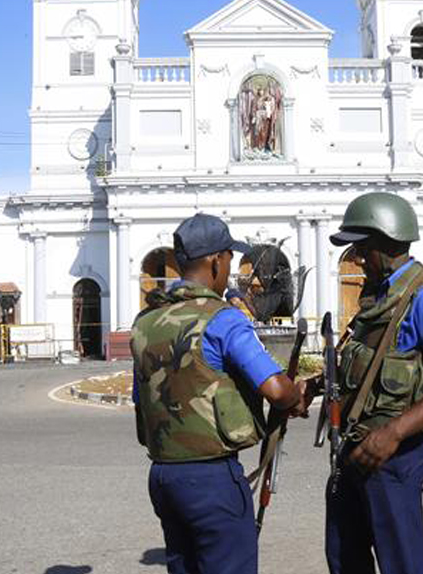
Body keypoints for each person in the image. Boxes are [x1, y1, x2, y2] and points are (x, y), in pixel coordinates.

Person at [131, 212, 306, 574]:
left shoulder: (145, 323)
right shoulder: (222, 319)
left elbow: (141, 398)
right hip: (211, 480)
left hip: (164, 477)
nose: (231, 268)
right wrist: (296, 396)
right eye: (229, 258)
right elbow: (275, 388)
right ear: (214, 261)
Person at [319, 192, 423, 574]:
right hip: (354, 453)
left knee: (401, 566)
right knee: (345, 560)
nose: (355, 257)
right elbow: (363, 368)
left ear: (385, 244)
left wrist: (393, 432)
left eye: (361, 248)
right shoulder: (377, 299)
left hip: (392, 458)